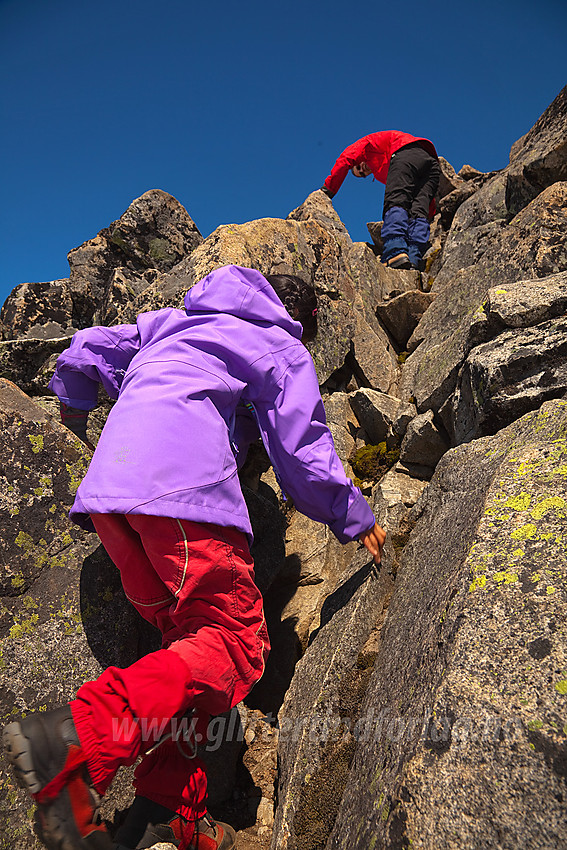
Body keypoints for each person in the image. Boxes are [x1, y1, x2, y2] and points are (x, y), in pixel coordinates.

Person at [2, 265, 385, 850]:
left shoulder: (175, 322)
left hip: (111, 498)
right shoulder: (276, 342)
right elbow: (302, 448)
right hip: (183, 494)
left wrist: (75, 402)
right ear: (295, 317)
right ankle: (78, 734)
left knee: (191, 655)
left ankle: (164, 815)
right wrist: (352, 515)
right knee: (233, 641)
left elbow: (90, 345)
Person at [321, 130, 440, 270]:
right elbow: (422, 199)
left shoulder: (367, 146)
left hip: (405, 149)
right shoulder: (382, 172)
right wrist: (431, 212)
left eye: (358, 166)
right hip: (431, 164)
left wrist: (328, 190)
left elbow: (346, 157)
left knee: (396, 201)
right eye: (362, 174)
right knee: (418, 210)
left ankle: (394, 250)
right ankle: (414, 256)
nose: (362, 169)